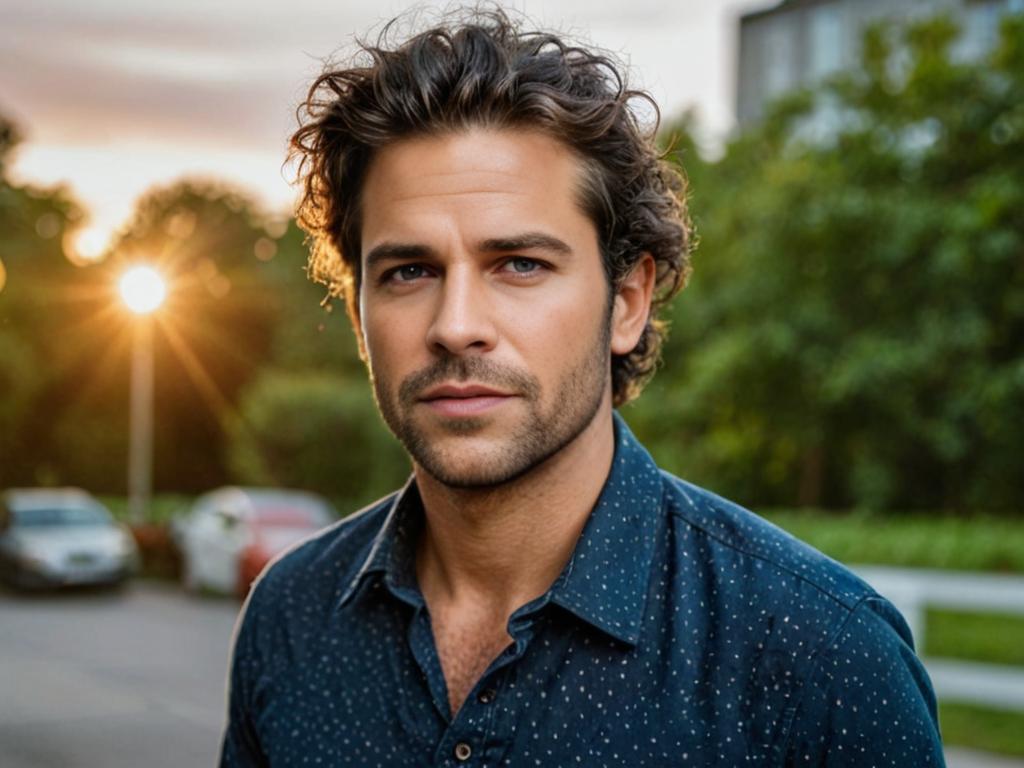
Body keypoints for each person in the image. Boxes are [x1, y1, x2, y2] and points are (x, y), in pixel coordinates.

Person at [221, 9, 945, 766]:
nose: (456, 325)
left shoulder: (823, 656)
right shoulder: (290, 617)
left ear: (626, 302)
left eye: (521, 264)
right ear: (359, 314)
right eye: (409, 271)